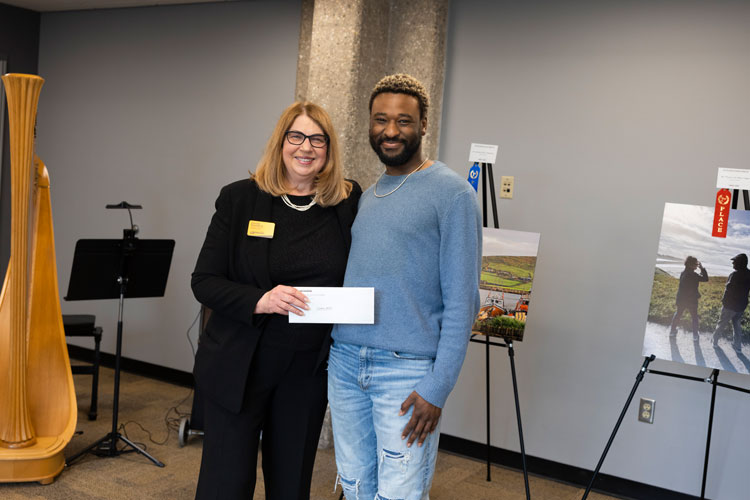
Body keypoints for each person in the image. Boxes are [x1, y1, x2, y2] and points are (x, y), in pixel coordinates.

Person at [191, 101, 361, 500]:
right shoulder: (239, 199)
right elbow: (204, 281)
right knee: (226, 484)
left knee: (291, 485)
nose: (307, 147)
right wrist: (260, 299)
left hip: (306, 369)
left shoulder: (347, 203)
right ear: (281, 142)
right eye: (297, 136)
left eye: (317, 139)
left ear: (329, 149)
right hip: (240, 364)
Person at [328, 74, 482, 500]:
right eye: (381, 119)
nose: (391, 131)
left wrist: (437, 386)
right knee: (356, 485)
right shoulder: (367, 195)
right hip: (344, 364)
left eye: (403, 120)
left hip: (407, 372)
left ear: (424, 124)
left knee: (400, 492)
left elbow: (463, 300)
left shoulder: (452, 195)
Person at [712, 253, 750, 351]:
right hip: (741, 306)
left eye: (734, 261)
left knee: (721, 324)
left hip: (730, 306)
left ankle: (715, 341)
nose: (733, 263)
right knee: (737, 325)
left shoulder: (734, 275)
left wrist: (724, 302)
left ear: (739, 263)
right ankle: (737, 347)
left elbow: (728, 289)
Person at [669, 256, 708, 340]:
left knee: (678, 314)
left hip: (681, 299)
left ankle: (672, 331)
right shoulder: (693, 275)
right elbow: (705, 279)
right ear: (691, 264)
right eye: (696, 264)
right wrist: (702, 268)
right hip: (692, 300)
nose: (697, 266)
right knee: (694, 317)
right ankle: (695, 335)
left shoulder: (683, 273)